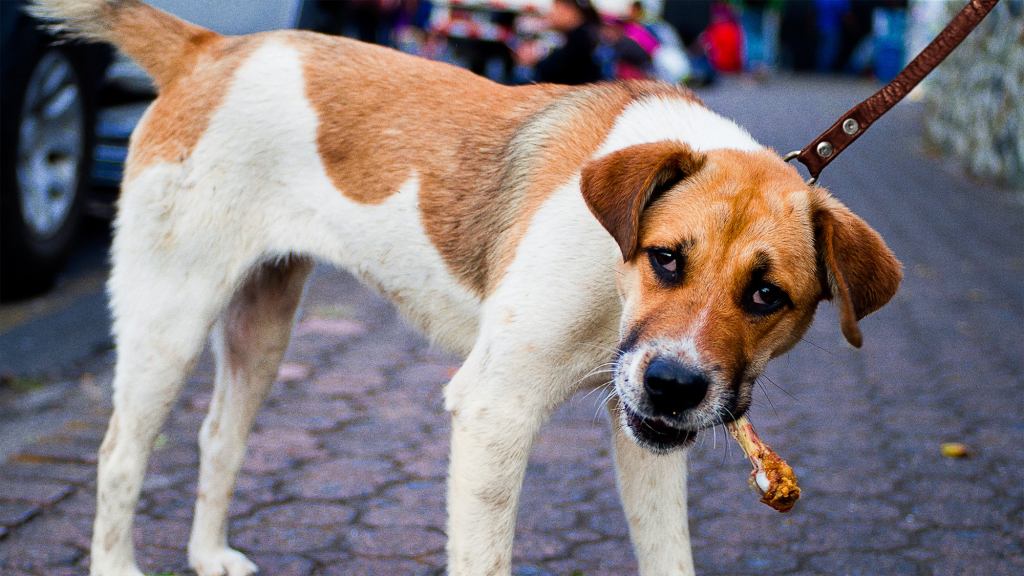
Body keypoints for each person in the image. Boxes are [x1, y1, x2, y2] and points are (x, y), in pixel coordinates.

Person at [516, 0, 603, 85]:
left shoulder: (580, 41)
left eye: (555, 8)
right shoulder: (582, 36)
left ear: (569, 11)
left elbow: (548, 76)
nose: (551, 14)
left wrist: (527, 65)